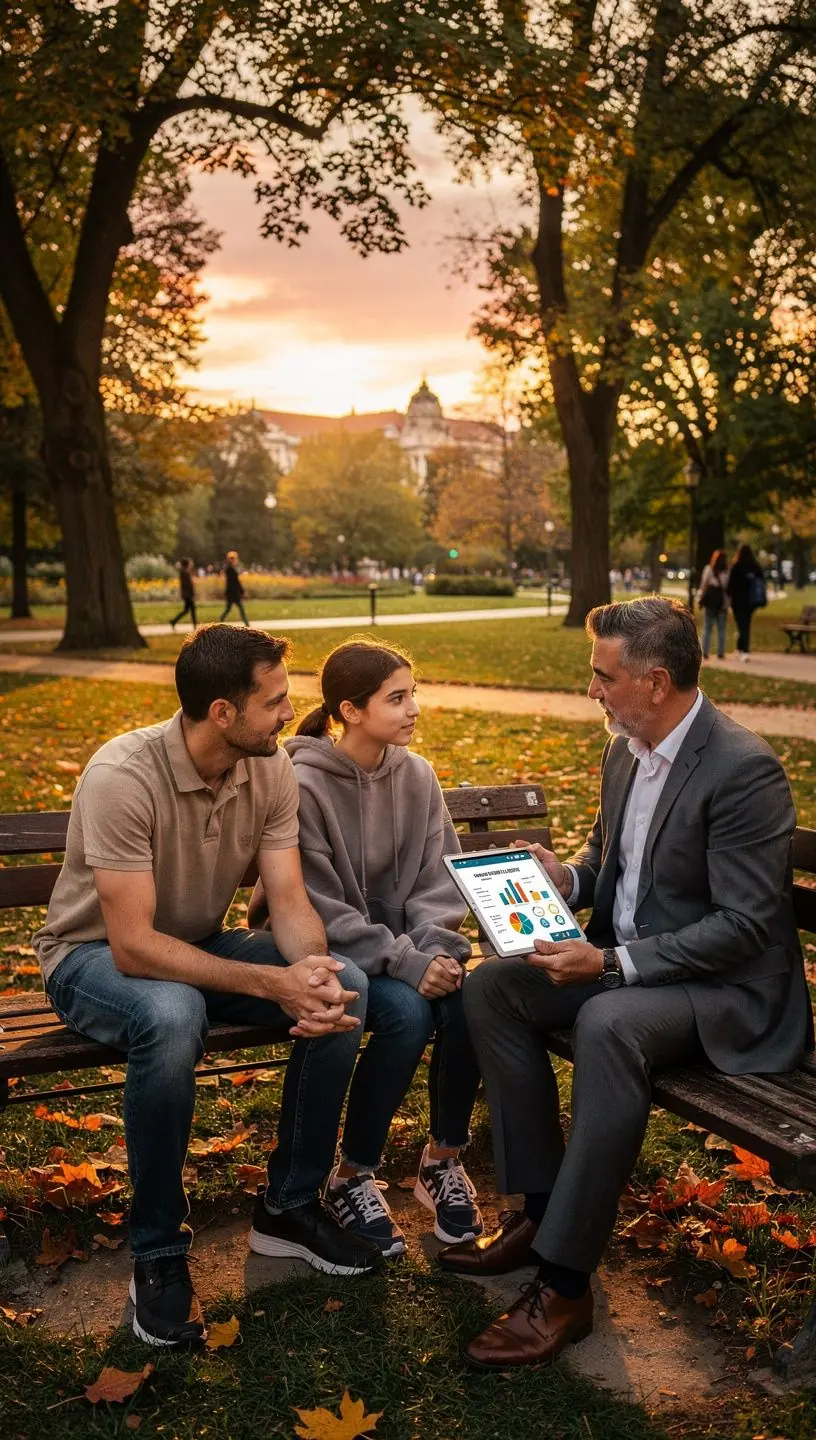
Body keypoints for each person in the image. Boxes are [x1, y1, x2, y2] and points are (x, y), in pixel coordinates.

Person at [440, 596, 810, 1369]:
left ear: (655, 680)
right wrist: (566, 875)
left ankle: (565, 1286)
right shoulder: (625, 748)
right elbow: (614, 861)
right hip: (639, 970)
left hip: (728, 993)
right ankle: (541, 1214)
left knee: (609, 1023)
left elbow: (743, 928)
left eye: (603, 676)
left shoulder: (743, 770)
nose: (594, 691)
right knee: (492, 988)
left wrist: (609, 964)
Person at [32, 626, 384, 1351]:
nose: (291, 712)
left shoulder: (270, 767)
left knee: (343, 983)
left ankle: (288, 1204)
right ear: (223, 712)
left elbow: (287, 900)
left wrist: (310, 973)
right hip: (91, 958)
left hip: (195, 944)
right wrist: (273, 982)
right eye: (275, 700)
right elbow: (132, 945)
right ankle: (158, 1250)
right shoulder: (122, 776)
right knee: (170, 1012)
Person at [248, 639, 483, 1259]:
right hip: (340, 952)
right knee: (405, 1016)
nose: (413, 709)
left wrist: (434, 954)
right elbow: (316, 905)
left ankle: (442, 1162)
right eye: (397, 698)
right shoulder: (302, 783)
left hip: (414, 951)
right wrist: (407, 963)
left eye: (413, 694)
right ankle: (353, 1174)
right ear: (350, 710)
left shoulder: (418, 774)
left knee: (468, 999)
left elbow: (442, 877)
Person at [726, 543, 766, 660]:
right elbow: (762, 582)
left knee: (742, 626)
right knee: (745, 625)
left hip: (738, 602)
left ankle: (745, 651)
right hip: (751, 602)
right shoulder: (755, 567)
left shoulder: (736, 567)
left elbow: (730, 586)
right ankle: (740, 648)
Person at [695, 548, 729, 660]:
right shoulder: (727, 571)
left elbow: (703, 585)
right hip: (721, 603)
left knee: (707, 628)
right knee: (721, 629)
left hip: (710, 603)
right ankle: (720, 652)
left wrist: (700, 598)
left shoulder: (709, 569)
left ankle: (705, 652)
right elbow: (727, 588)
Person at [220, 550, 249, 626]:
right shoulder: (230, 569)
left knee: (229, 609)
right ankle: (247, 624)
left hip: (232, 592)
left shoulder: (230, 568)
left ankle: (221, 620)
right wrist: (241, 590)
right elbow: (234, 582)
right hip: (233, 593)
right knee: (240, 608)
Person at [170, 557, 197, 630]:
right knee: (192, 609)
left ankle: (173, 621)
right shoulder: (185, 573)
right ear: (187, 564)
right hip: (188, 595)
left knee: (186, 610)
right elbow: (187, 585)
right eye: (190, 563)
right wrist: (191, 594)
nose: (191, 564)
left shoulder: (184, 572)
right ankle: (195, 626)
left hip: (186, 594)